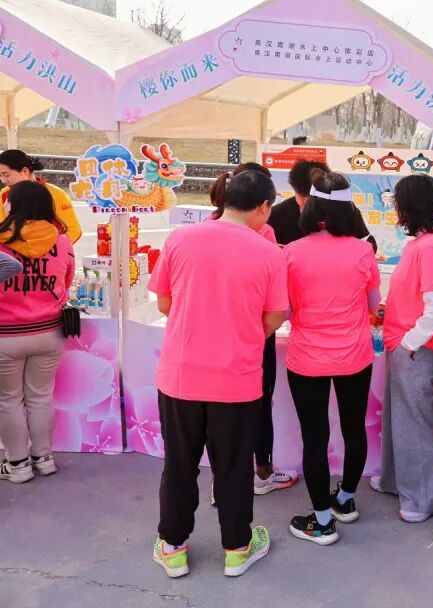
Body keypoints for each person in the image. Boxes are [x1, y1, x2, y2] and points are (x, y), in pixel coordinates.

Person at [148, 170, 286, 579]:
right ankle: (237, 549)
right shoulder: (268, 252)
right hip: (237, 379)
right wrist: (242, 332)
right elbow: (275, 316)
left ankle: (173, 548)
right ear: (263, 207)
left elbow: (164, 304)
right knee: (234, 466)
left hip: (181, 375)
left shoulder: (180, 239)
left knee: (179, 464)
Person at [283, 172, 382, 545]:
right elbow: (373, 305)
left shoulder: (292, 252)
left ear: (311, 206)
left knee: (315, 436)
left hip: (307, 357)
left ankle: (322, 521)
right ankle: (345, 499)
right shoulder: (363, 250)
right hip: (354, 356)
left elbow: (285, 309)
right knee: (354, 428)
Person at [208, 163, 297, 498]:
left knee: (216, 410)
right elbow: (276, 309)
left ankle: (221, 480)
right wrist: (254, 333)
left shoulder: (201, 231)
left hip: (215, 336)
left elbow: (166, 302)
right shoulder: (264, 236)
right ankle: (261, 472)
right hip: (252, 336)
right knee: (257, 404)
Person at [373, 174, 433, 523]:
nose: (396, 209)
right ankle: (396, 482)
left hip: (413, 348)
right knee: (400, 420)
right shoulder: (421, 244)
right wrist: (386, 311)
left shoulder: (431, 247)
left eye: (398, 202)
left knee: (416, 424)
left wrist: (410, 342)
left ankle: (423, 500)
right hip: (402, 343)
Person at [0, 182, 75, 483]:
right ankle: (43, 458)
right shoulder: (62, 241)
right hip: (49, 331)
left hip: (6, 334)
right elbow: (67, 281)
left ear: (13, 205)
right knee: (41, 396)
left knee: (8, 400)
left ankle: (17, 464)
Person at [269, 160, 376, 251]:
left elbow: (368, 243)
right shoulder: (276, 214)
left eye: (311, 197)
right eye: (302, 196)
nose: (307, 202)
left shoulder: (345, 209)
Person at [0, 149, 82, 245]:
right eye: (0, 176)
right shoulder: (3, 194)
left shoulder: (56, 194)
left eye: (7, 175)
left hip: (50, 251)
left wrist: (52, 250)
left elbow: (73, 230)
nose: (3, 181)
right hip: (14, 251)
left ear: (25, 171)